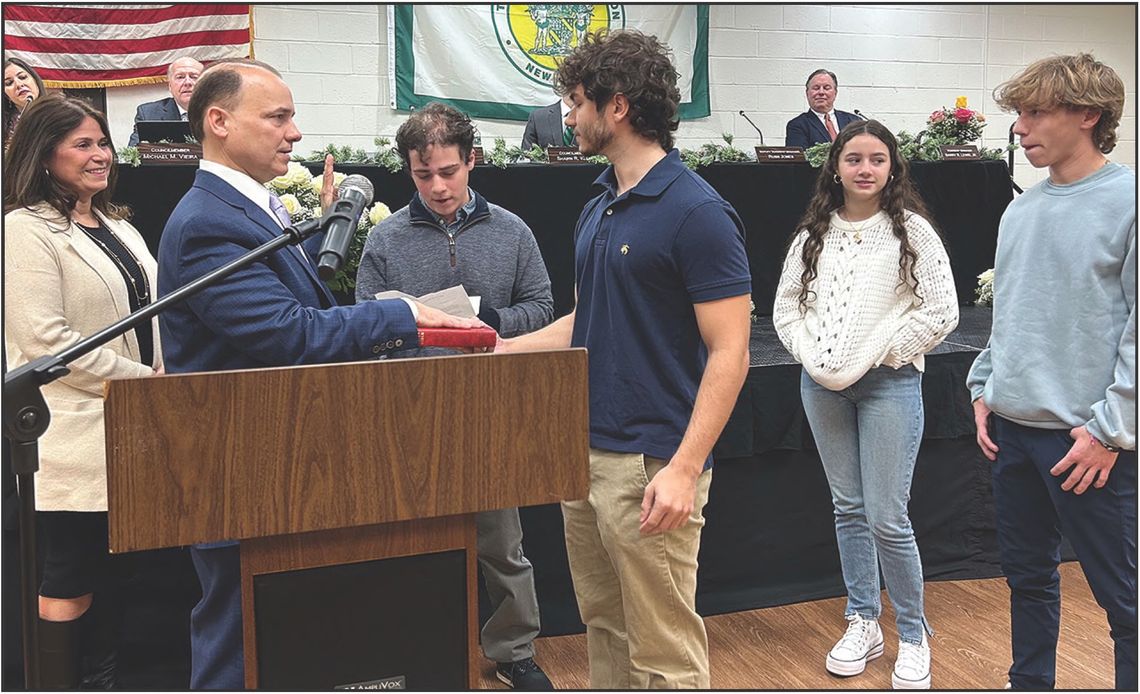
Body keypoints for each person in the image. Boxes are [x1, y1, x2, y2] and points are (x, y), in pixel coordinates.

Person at [157, 58, 482, 690]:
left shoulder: (251, 207)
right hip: (240, 466)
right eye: (277, 117)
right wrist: (397, 313)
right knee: (238, 634)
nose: (295, 133)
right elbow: (288, 335)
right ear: (219, 122)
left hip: (281, 461)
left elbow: (284, 311)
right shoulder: (206, 223)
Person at [497, 30, 752, 689]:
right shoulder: (597, 205)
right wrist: (501, 348)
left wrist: (685, 469)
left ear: (617, 107)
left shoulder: (698, 212)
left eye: (577, 101)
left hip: (653, 466)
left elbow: (731, 351)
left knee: (663, 655)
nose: (569, 117)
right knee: (605, 629)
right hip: (586, 458)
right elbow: (587, 321)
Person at [356, 101, 555, 690]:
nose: (438, 187)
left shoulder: (512, 230)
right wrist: (416, 328)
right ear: (407, 172)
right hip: (412, 411)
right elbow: (363, 318)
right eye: (423, 176)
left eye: (449, 171)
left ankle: (514, 650)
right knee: (416, 540)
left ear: (472, 161)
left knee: (503, 543)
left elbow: (543, 308)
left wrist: (485, 318)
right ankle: (422, 649)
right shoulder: (386, 238)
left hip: (491, 408)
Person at [966, 54, 1135, 691]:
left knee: (1126, 602)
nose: (1020, 127)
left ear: (1088, 115)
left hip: (1090, 444)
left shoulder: (1127, 202)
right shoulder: (1021, 210)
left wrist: (1110, 431)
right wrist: (986, 386)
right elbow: (1013, 313)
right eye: (1019, 114)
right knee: (1029, 582)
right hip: (1013, 432)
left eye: (1036, 112)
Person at [774, 119, 959, 689]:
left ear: (892, 167)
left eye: (877, 159)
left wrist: (883, 352)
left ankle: (913, 631)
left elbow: (942, 311)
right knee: (848, 509)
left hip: (888, 385)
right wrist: (814, 355)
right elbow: (785, 308)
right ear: (835, 166)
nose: (865, 169)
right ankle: (863, 619)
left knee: (888, 517)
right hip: (821, 386)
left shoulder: (913, 233)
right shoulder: (813, 235)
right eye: (854, 158)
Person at [3, 95, 163, 689]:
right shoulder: (23, 230)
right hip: (72, 440)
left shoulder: (119, 224)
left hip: (131, 432)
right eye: (83, 145)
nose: (102, 156)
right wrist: (145, 383)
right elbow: (46, 340)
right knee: (71, 577)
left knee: (119, 579)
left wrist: (161, 383)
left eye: (104, 142)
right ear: (44, 156)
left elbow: (151, 316)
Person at [127, 56, 203, 146]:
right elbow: (133, 154)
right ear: (170, 86)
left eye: (194, 77)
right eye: (180, 77)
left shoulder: (217, 113)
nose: (187, 82)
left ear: (204, 83)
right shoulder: (148, 114)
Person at [785, 69, 859, 149]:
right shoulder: (797, 125)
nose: (821, 92)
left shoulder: (854, 121)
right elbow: (800, 159)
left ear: (835, 93)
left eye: (826, 88)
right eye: (816, 88)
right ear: (807, 93)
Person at [3, 56, 46, 149]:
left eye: (22, 77)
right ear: (6, 96)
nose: (19, 84)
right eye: (9, 83)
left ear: (35, 80)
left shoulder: (61, 112)